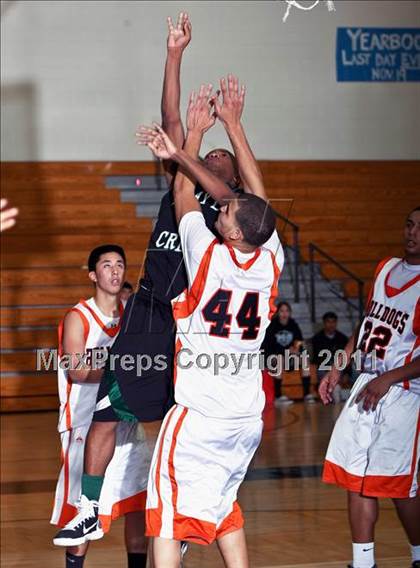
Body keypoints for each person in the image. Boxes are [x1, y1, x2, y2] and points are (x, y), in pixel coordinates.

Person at [53, 11, 273, 551]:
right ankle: (87, 507)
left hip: (195, 328)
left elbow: (244, 190)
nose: (212, 156)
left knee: (182, 434)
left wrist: (220, 134)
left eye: (221, 155)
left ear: (235, 181)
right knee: (106, 410)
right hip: (153, 312)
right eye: (208, 153)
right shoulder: (182, 174)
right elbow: (172, 118)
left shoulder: (232, 215)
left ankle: (199, 515)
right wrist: (174, 53)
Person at [139, 118, 284, 567]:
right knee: (224, 507)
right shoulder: (272, 258)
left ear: (234, 233)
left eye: (224, 212)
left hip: (200, 414)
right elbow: (256, 200)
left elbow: (183, 195)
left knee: (164, 515)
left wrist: (191, 139)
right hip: (245, 418)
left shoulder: (206, 253)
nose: (218, 210)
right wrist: (238, 126)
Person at [320, 206, 420, 568]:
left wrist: (387, 379)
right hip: (367, 382)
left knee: (396, 486)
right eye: (409, 224)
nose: (412, 233)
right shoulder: (385, 268)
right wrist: (338, 367)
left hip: (404, 389)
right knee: (356, 478)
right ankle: (363, 564)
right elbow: (366, 326)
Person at [51, 245, 151, 568]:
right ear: (94, 275)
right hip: (84, 425)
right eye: (106, 265)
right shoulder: (78, 317)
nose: (115, 271)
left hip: (125, 421)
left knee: (136, 502)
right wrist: (121, 367)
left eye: (120, 264)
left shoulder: (132, 315)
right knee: (84, 511)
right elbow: (77, 370)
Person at [262, 301, 313, 405]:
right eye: (282, 311)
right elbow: (268, 347)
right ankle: (278, 396)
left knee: (304, 360)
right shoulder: (272, 326)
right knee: (280, 359)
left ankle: (307, 394)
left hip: (289, 357)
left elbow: (299, 341)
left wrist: (297, 349)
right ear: (277, 313)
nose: (284, 314)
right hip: (272, 358)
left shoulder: (293, 325)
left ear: (290, 312)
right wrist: (286, 351)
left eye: (287, 311)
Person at [311, 311, 349, 402]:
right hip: (324, 368)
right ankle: (333, 390)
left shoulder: (343, 338)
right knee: (335, 387)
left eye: (333, 322)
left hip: (339, 368)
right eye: (328, 322)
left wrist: (346, 372)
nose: (331, 324)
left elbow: (346, 357)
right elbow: (317, 359)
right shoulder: (317, 339)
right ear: (324, 323)